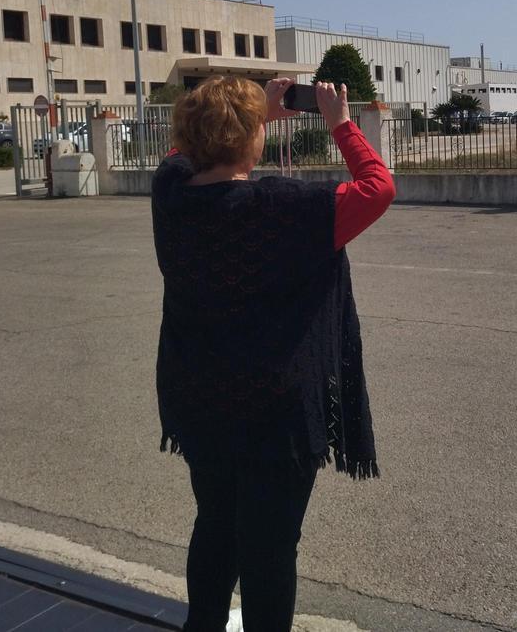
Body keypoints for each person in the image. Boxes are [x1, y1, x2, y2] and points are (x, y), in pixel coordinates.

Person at [150, 76, 395, 631]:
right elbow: (378, 187)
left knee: (215, 523)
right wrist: (338, 122)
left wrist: (253, 113)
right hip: (276, 417)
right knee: (269, 547)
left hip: (199, 400)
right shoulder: (287, 208)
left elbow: (178, 157)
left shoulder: (170, 195)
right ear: (250, 139)